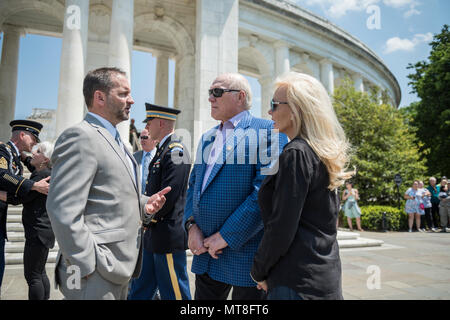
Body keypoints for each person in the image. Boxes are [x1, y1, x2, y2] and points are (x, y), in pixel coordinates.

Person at [46, 67, 170, 300]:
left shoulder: (118, 142)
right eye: (123, 94)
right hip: (94, 273)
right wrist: (88, 263)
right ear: (99, 97)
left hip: (118, 269)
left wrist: (144, 205)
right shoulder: (81, 137)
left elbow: (109, 192)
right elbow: (62, 210)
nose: (131, 100)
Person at [184, 73, 287, 300]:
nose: (210, 98)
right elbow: (193, 186)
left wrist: (226, 236)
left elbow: (264, 192)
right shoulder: (207, 137)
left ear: (240, 97)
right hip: (205, 255)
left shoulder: (268, 131)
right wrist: (191, 226)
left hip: (245, 257)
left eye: (217, 92)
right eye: (210, 92)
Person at [250, 72, 351, 300]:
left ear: (296, 109)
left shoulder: (295, 153)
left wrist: (259, 270)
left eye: (274, 104)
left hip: (295, 281)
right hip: (323, 275)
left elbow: (282, 226)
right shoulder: (321, 152)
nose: (269, 112)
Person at [128, 104, 192, 300]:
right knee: (139, 291)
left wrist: (147, 218)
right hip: (153, 236)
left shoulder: (176, 151)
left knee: (174, 293)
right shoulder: (162, 150)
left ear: (161, 123)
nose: (146, 128)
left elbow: (168, 197)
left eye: (149, 122)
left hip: (167, 237)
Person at [0, 120, 50, 296]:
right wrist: (33, 185)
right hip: (38, 229)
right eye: (33, 139)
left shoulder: (15, 156)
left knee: (34, 275)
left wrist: (31, 186)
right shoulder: (3, 151)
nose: (35, 144)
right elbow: (1, 174)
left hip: (35, 229)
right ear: (22, 135)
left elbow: (20, 192)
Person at [132, 128, 157, 193]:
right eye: (141, 137)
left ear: (154, 140)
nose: (142, 140)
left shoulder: (160, 156)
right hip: (137, 198)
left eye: (145, 137)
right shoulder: (134, 157)